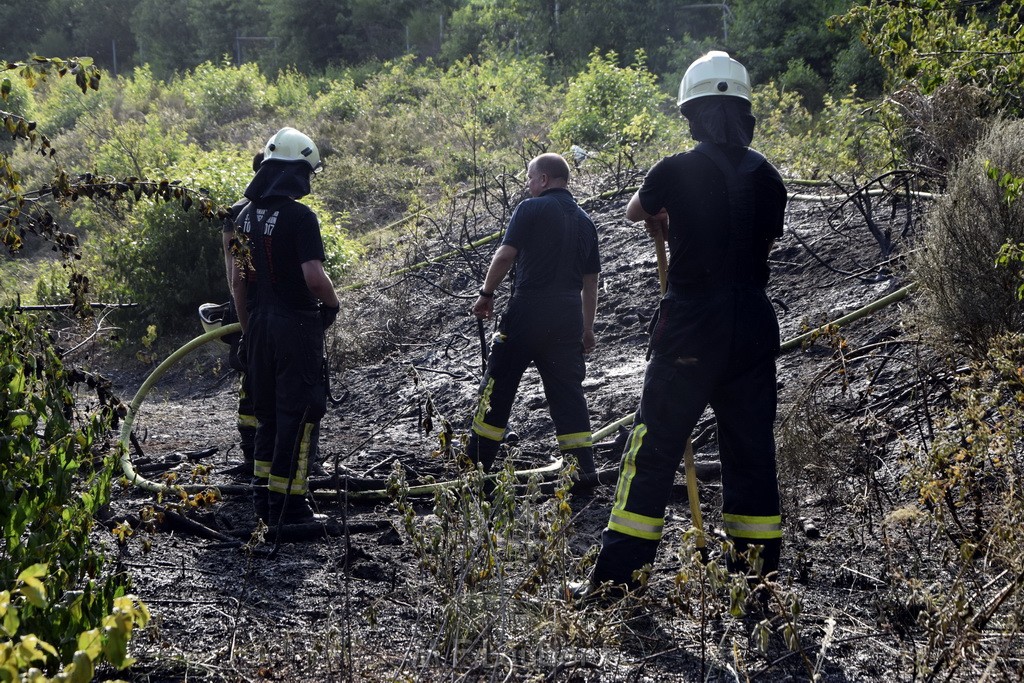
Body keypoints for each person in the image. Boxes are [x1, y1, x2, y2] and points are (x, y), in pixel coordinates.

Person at [583, 51, 788, 595]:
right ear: (744, 112)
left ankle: (616, 583)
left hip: (693, 324)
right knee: (751, 453)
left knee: (652, 451)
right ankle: (756, 583)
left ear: (691, 113)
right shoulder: (769, 177)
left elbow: (635, 211)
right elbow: (757, 240)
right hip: (753, 327)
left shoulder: (675, 169)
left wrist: (671, 219)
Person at [467, 152, 600, 485]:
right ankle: (583, 474)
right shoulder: (586, 222)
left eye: (529, 178)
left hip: (528, 312)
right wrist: (587, 328)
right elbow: (591, 282)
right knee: (568, 396)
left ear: (544, 179)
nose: (527, 185)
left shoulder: (530, 208)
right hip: (568, 317)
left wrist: (486, 294)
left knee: (496, 390)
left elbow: (505, 255)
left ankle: (474, 472)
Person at [230, 127, 340, 524]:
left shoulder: (245, 216)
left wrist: (248, 331)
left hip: (258, 325)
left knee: (269, 414)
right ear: (297, 171)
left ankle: (265, 501)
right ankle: (290, 508)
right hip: (295, 327)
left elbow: (240, 282)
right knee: (300, 412)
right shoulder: (300, 217)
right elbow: (313, 276)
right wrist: (331, 303)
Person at [218, 151, 264, 473]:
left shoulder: (235, 212)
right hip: (261, 305)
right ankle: (259, 454)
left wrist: (237, 304)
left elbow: (230, 270)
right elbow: (235, 269)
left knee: (250, 374)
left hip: (244, 302)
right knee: (256, 375)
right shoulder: (241, 213)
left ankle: (252, 453)